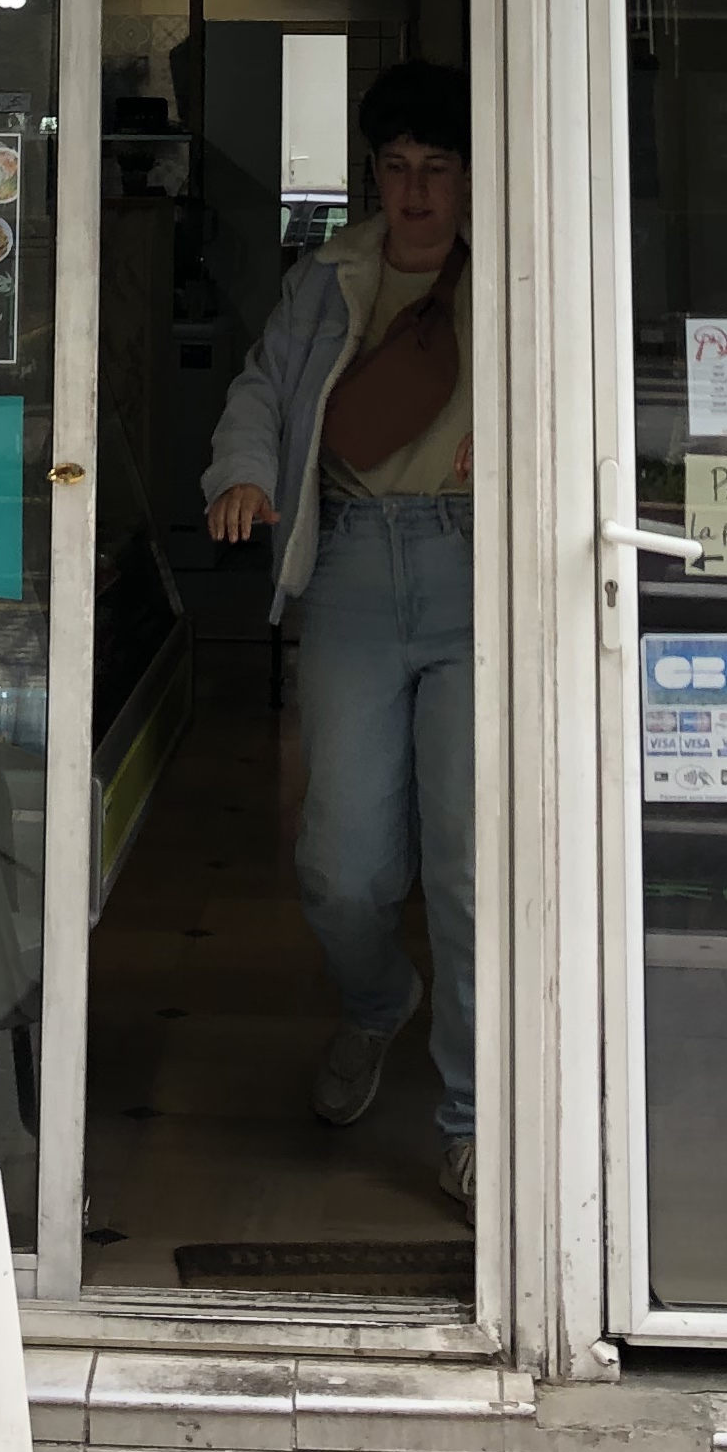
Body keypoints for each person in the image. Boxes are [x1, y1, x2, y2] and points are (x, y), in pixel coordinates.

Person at [204, 59, 476, 1216]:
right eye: (396, 168)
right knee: (342, 862)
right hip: (356, 564)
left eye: (437, 169)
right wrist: (245, 474)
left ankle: (474, 1121)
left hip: (480, 567)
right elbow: (262, 389)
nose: (414, 193)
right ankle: (378, 1004)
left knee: (473, 864)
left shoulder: (515, 264)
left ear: (469, 177)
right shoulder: (328, 277)